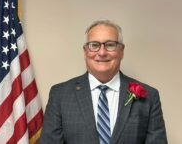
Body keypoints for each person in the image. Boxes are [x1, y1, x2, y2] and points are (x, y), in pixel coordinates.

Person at [39, 20, 168, 144]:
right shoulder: (60, 95)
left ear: (121, 51)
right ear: (85, 52)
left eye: (110, 45)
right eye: (94, 45)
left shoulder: (150, 96)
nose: (102, 52)